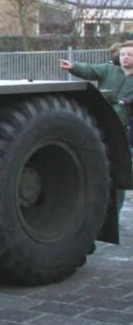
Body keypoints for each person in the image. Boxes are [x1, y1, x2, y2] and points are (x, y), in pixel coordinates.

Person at [60, 40, 133, 211]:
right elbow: (91, 70)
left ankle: (115, 209)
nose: (125, 58)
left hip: (123, 131)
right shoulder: (109, 70)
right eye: (123, 55)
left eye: (130, 55)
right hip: (102, 124)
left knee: (118, 171)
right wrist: (73, 66)